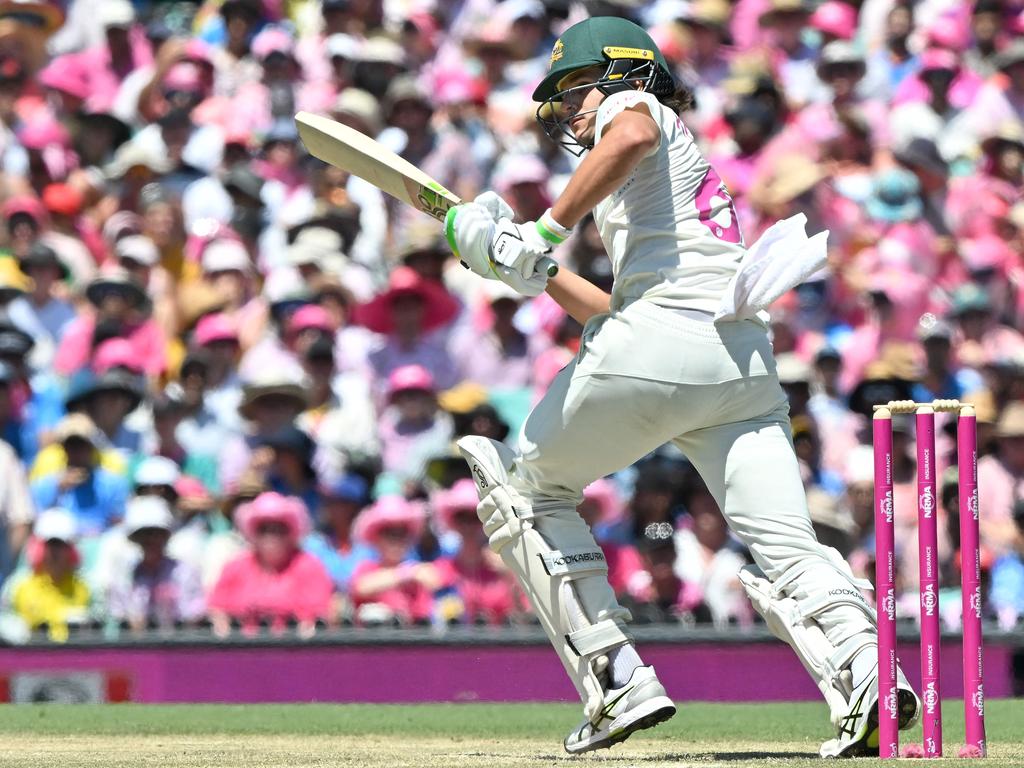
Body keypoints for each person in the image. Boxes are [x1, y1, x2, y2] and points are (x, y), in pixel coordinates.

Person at [445, 17, 919, 756]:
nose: (571, 109)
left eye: (575, 87)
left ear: (622, 73)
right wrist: (536, 274)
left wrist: (537, 234)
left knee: (524, 490)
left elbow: (627, 137)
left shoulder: (637, 111)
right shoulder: (670, 171)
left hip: (669, 345)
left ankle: (616, 676)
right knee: (788, 545)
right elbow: (621, 314)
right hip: (738, 362)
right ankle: (871, 673)